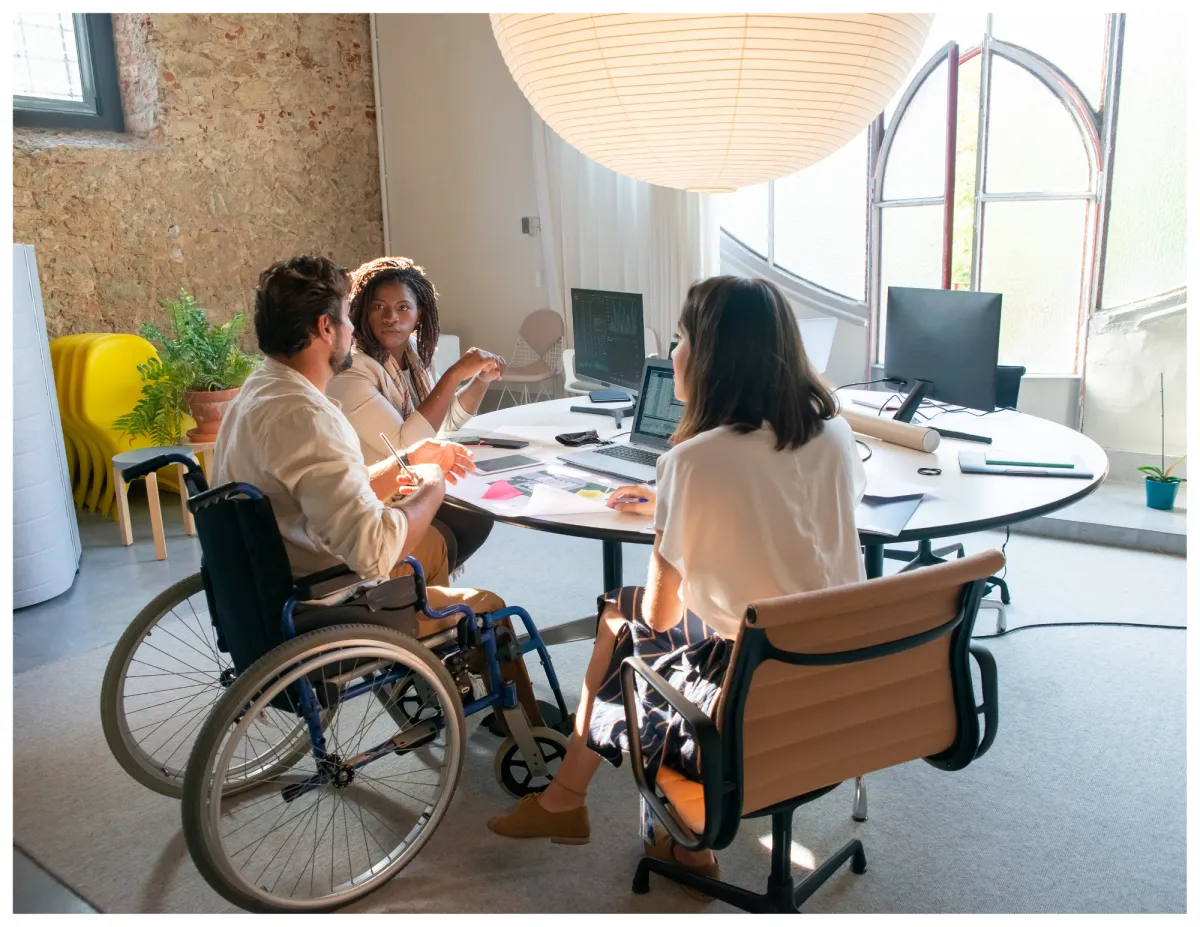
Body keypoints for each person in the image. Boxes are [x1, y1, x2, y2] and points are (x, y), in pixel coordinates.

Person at [486, 276, 868, 896]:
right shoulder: (835, 433)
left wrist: (674, 512)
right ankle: (589, 808)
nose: (672, 354)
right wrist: (677, 510)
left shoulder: (692, 462)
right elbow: (799, 524)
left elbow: (663, 613)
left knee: (623, 618)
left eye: (681, 338)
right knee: (629, 616)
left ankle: (575, 802)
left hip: (746, 680)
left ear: (713, 356)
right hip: (836, 663)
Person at [213, 254, 543, 727]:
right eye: (351, 316)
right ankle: (528, 734)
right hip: (329, 600)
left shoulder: (258, 392)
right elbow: (374, 550)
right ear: (327, 328)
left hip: (269, 581)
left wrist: (405, 463)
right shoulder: (311, 416)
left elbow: (319, 490)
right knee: (488, 603)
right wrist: (430, 482)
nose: (355, 329)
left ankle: (438, 672)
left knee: (444, 533)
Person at [327, 256, 504, 574]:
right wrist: (454, 375)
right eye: (379, 307)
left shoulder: (413, 358)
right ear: (362, 310)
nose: (391, 318)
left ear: (420, 314)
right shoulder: (352, 370)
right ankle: (408, 587)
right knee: (463, 514)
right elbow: (408, 442)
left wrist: (480, 380)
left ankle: (420, 588)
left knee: (477, 506)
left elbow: (442, 423)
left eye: (403, 308)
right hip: (375, 498)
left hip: (408, 483)